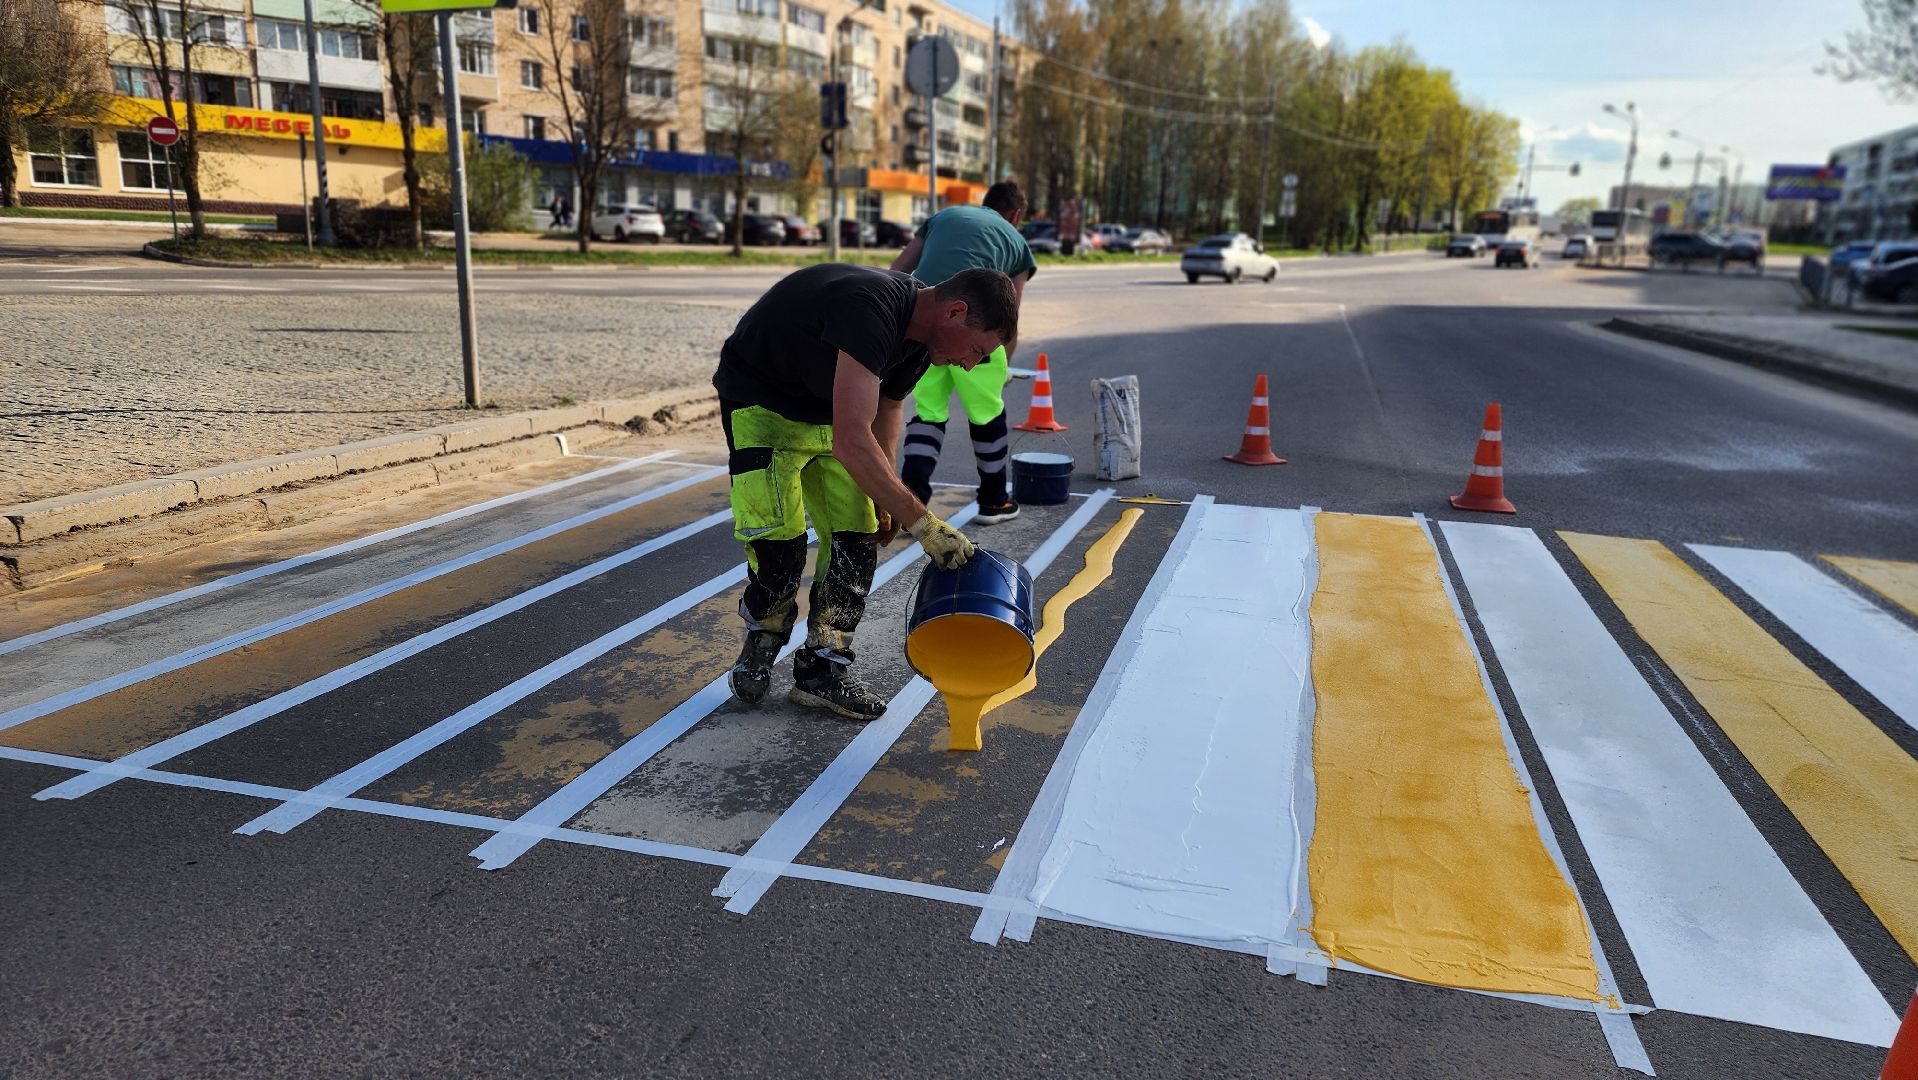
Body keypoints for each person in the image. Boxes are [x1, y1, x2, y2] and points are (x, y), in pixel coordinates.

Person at [713, 263, 1019, 721]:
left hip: (832, 414)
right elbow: (853, 439)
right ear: (954, 312)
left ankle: (822, 671)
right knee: (779, 545)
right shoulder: (871, 309)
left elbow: (888, 410)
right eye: (976, 350)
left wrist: (884, 491)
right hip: (763, 405)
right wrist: (924, 524)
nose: (970, 365)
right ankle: (764, 636)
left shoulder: (923, 342)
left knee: (857, 540)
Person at [891, 181, 1037, 524]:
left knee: (928, 412)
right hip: (975, 331)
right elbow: (1007, 319)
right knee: (986, 413)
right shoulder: (1017, 242)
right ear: (1016, 214)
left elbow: (897, 272)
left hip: (925, 326)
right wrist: (1003, 367)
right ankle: (994, 501)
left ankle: (911, 502)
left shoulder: (942, 217)